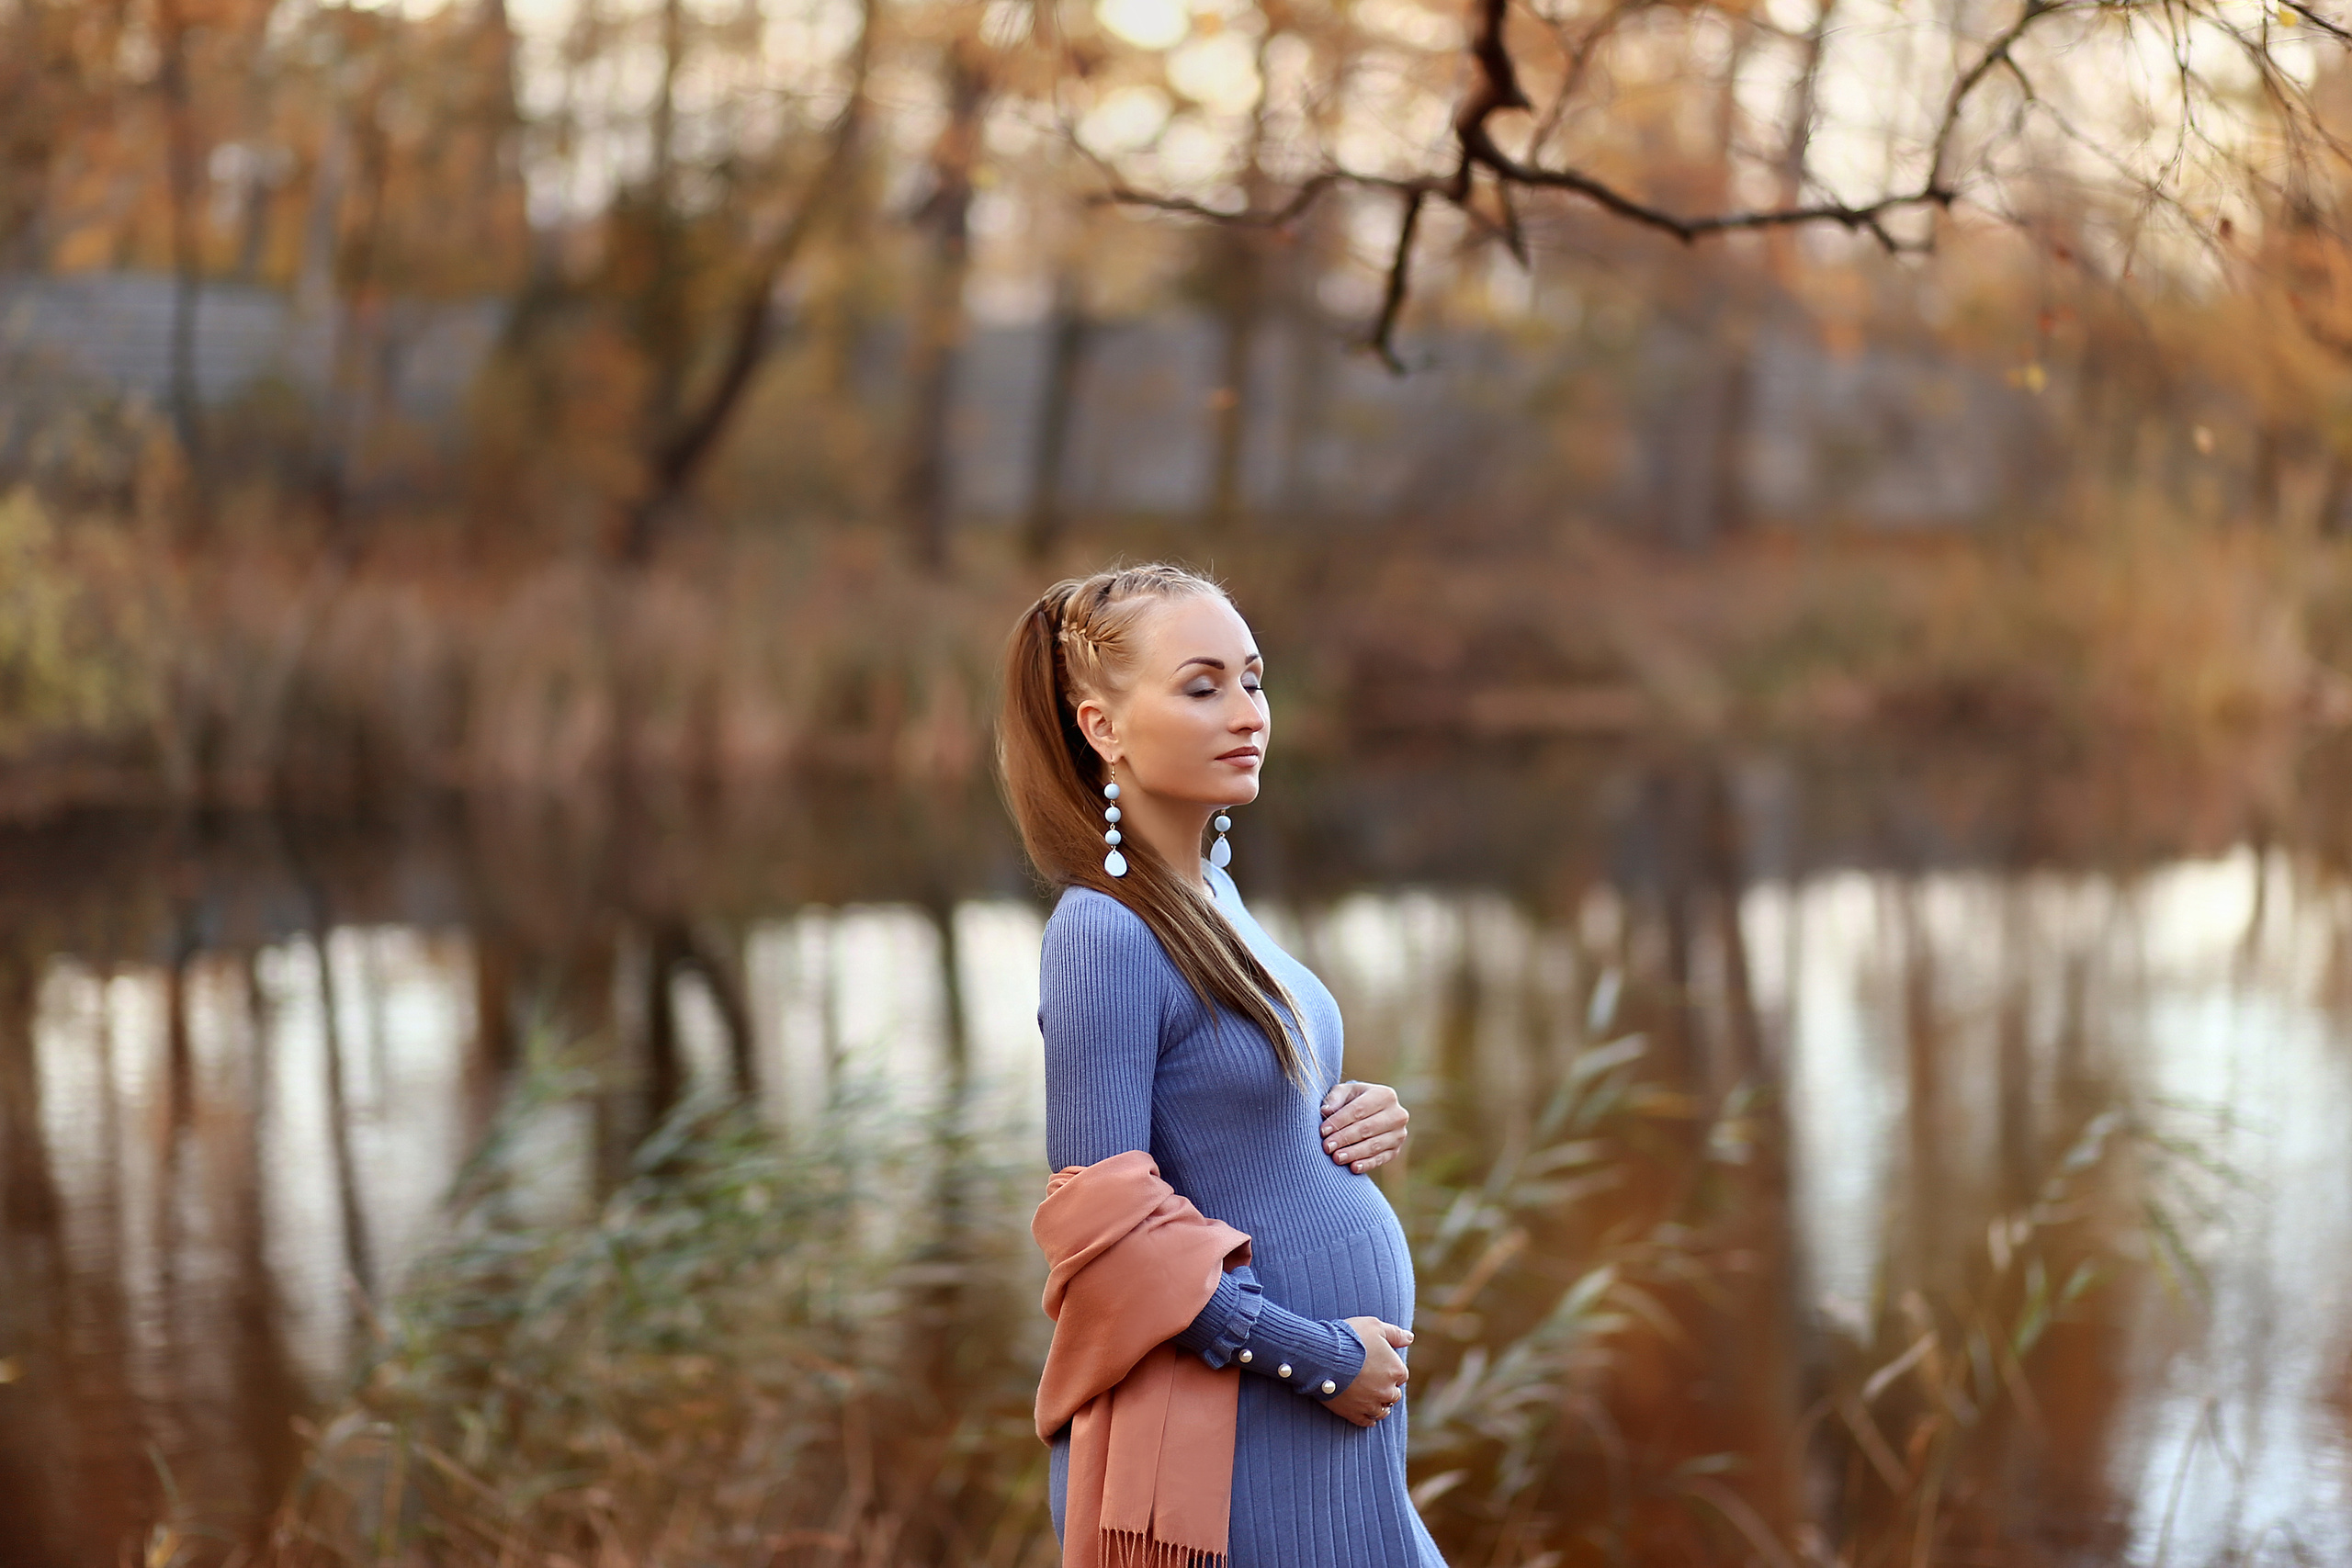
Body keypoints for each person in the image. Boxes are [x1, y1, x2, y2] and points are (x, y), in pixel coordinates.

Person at [1001, 562, 1447, 1566]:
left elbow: (1234, 1116)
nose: (1248, 713)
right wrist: (1319, 1358)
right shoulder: (1102, 932)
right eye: (1202, 687)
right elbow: (1107, 1240)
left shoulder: (1207, 893)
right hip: (1245, 1424)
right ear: (1103, 728)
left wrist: (1348, 1108)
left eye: (1252, 680)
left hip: (1324, 1427)